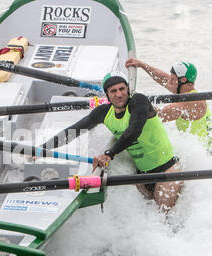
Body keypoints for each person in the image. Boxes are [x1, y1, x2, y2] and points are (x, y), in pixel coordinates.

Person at [40, 71, 183, 213]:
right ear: (107, 95)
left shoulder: (139, 102)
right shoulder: (103, 113)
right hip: (142, 175)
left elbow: (133, 131)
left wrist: (109, 154)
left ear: (128, 89)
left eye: (122, 89)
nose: (119, 94)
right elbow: (73, 131)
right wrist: (42, 149)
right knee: (151, 218)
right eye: (113, 91)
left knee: (164, 219)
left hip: (167, 169)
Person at [125, 59, 212, 152]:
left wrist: (138, 100)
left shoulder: (193, 102)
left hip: (205, 153)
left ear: (183, 80)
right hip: (198, 149)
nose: (169, 82)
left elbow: (160, 116)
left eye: (172, 79)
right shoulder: (183, 90)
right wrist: (142, 64)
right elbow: (162, 77)